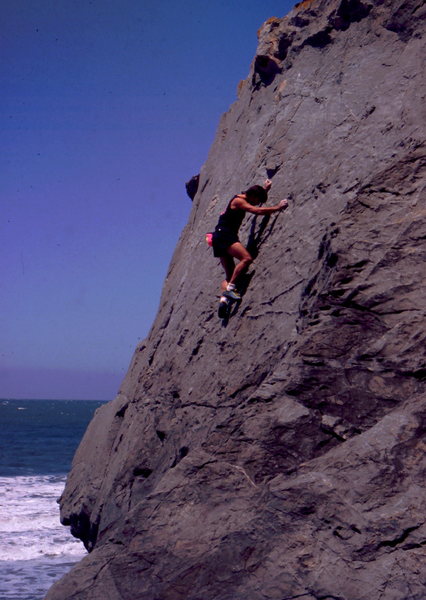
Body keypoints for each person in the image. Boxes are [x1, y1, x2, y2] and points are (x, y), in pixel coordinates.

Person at [211, 179, 288, 315]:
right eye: (257, 200)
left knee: (230, 274)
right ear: (253, 196)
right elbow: (255, 210)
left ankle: (223, 300)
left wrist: (265, 189)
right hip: (225, 235)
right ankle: (230, 290)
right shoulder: (239, 201)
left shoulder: (242, 197)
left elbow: (252, 201)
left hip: (218, 237)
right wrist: (277, 207)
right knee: (246, 258)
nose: (257, 203)